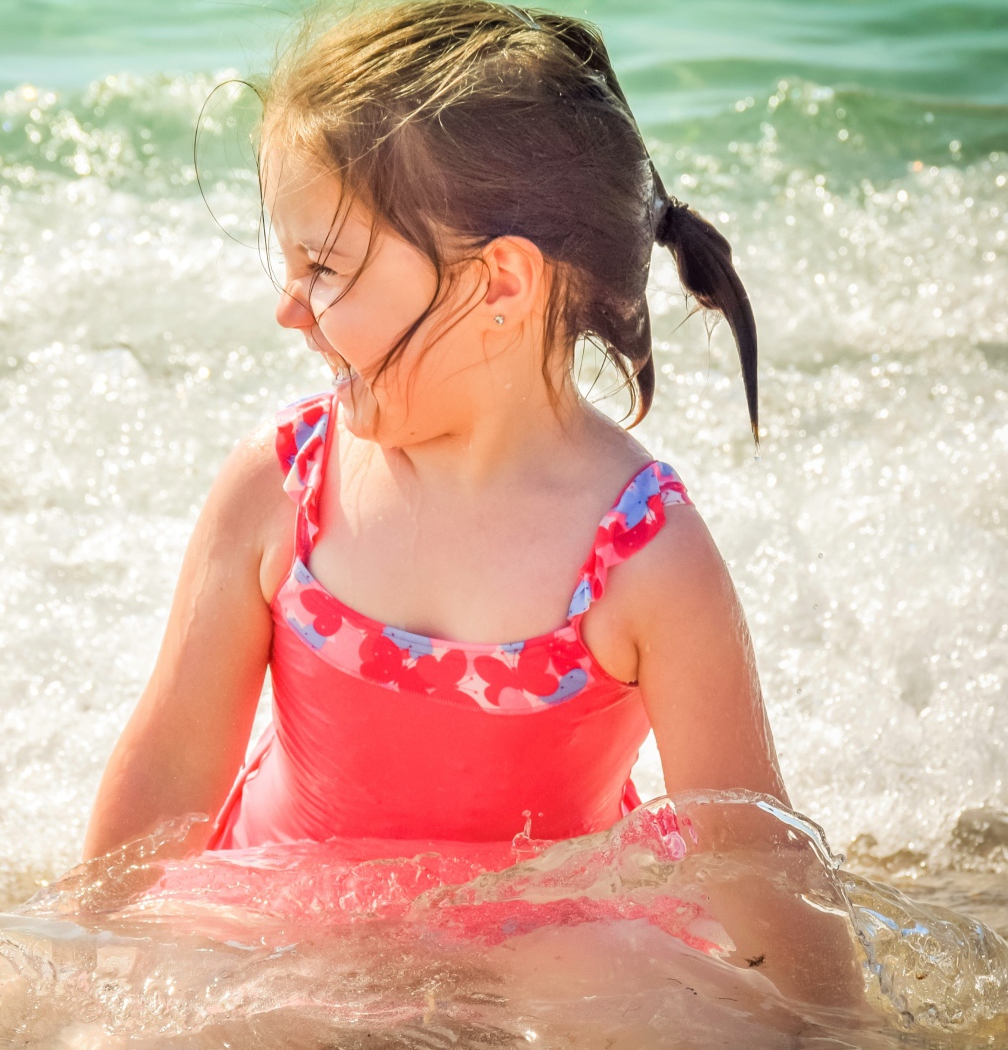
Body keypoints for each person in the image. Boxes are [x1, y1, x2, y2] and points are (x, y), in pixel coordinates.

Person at [84, 0, 861, 1008]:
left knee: (624, 997)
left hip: (546, 947)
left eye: (322, 268)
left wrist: (837, 1027)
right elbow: (171, 769)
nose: (288, 308)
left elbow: (752, 849)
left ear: (499, 284)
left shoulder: (641, 554)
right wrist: (76, 961)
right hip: (290, 927)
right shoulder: (285, 483)